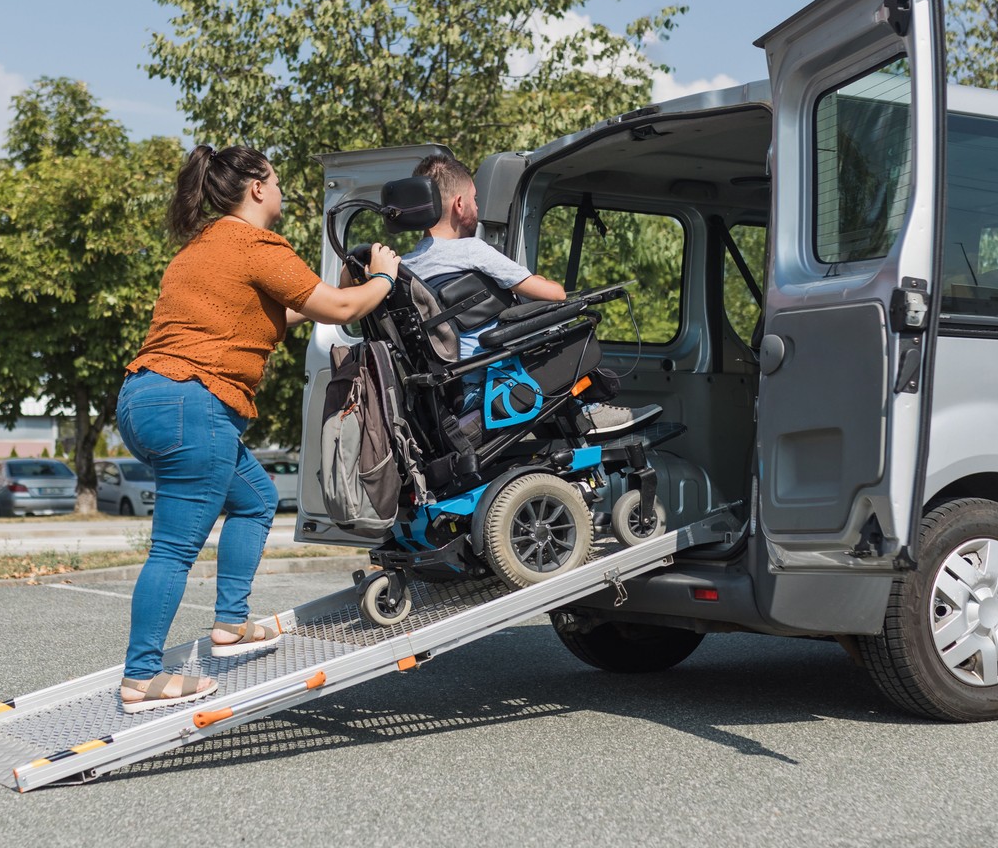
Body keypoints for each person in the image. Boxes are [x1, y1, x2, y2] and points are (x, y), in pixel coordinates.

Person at [116, 143, 401, 712]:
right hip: (194, 404)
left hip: (145, 397)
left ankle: (230, 623)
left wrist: (344, 286)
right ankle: (141, 676)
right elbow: (343, 312)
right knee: (174, 549)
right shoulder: (256, 243)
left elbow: (284, 310)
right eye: (277, 180)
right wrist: (384, 280)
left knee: (255, 498)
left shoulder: (199, 248)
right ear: (256, 189)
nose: (282, 191)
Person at [401, 152, 657, 435]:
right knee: (564, 329)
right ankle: (589, 414)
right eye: (474, 199)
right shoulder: (472, 251)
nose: (477, 206)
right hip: (489, 387)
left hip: (447, 394)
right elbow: (554, 293)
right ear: (459, 205)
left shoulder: (405, 268)